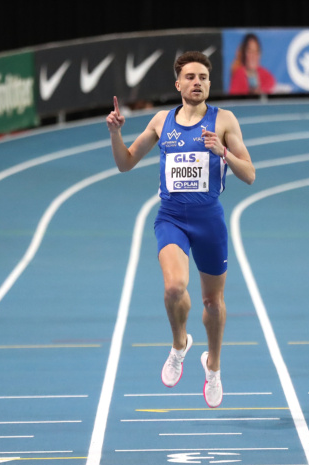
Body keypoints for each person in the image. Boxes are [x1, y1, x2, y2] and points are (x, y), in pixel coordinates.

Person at [106, 51, 256, 408]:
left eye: (203, 77)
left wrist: (223, 152)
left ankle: (214, 367)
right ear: (178, 84)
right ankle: (179, 344)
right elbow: (125, 163)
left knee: (212, 302)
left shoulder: (224, 120)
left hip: (209, 221)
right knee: (174, 287)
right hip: (171, 218)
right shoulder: (162, 121)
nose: (197, 83)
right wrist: (115, 134)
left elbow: (249, 174)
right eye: (190, 77)